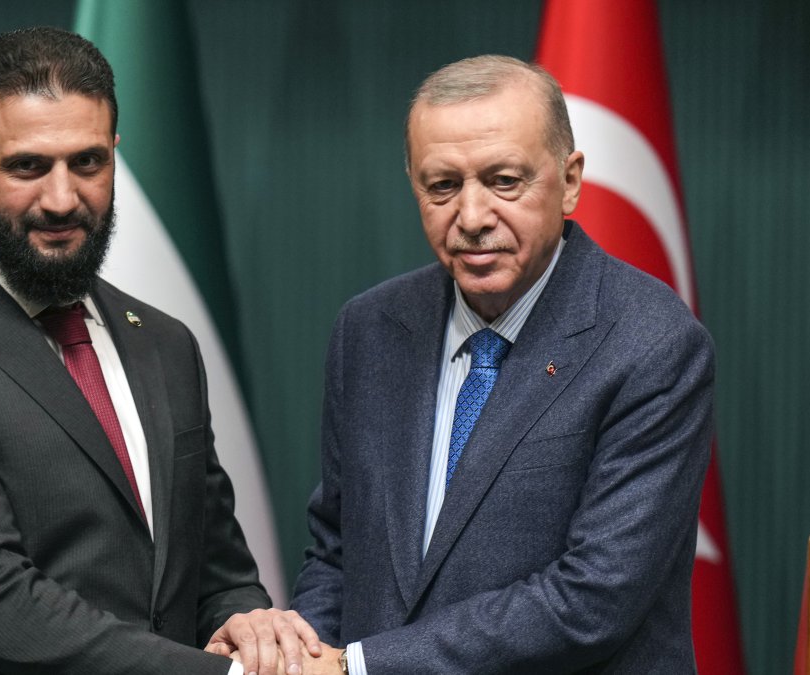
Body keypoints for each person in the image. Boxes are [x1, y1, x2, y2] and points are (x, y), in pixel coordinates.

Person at [0, 27, 315, 674]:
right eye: (28, 167)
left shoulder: (165, 343)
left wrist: (246, 622)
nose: (62, 199)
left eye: (87, 163)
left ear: (115, 155)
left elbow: (216, 571)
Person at [282, 55, 715, 673]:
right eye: (442, 186)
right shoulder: (369, 329)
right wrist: (300, 655)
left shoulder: (651, 342)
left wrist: (361, 666)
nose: (472, 217)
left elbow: (593, 598)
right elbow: (337, 553)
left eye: (504, 181)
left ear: (570, 181)